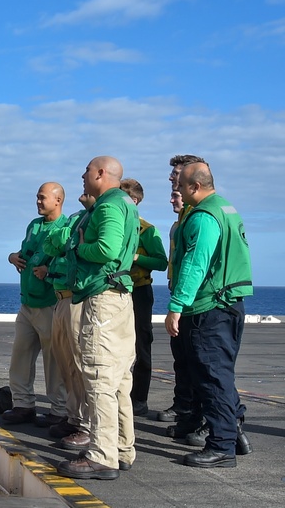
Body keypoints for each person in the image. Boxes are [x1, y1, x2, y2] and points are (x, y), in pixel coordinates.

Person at [57, 156, 139, 481]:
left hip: (103, 298)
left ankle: (102, 456)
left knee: (99, 376)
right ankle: (121, 448)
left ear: (101, 174)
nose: (82, 175)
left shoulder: (107, 206)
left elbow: (106, 248)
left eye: (87, 171)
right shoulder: (126, 204)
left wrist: (78, 250)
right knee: (119, 380)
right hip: (120, 297)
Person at [167, 162, 253, 467]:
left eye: (181, 185)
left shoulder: (203, 217)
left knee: (212, 378)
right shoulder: (226, 209)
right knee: (220, 376)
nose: (176, 190)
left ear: (195, 187)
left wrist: (176, 306)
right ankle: (232, 436)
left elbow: (194, 264)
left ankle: (222, 446)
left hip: (210, 308)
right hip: (229, 304)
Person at [2, 183, 67, 425]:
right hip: (27, 303)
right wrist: (12, 257)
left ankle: (59, 409)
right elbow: (25, 253)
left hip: (49, 304)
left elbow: (67, 259)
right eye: (37, 198)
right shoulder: (34, 225)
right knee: (20, 356)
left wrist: (50, 270)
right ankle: (23, 405)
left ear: (57, 200)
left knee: (54, 361)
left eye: (42, 198)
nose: (38, 202)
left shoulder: (65, 227)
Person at [158, 154, 207, 426]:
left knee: (202, 364)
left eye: (177, 173)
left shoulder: (200, 215)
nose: (172, 179)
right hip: (180, 293)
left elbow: (196, 262)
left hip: (197, 300)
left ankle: (215, 421)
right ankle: (186, 409)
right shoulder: (181, 220)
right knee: (183, 360)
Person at [43, 193, 95, 440]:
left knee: (80, 363)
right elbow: (51, 243)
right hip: (60, 297)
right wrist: (66, 239)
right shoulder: (77, 217)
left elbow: (67, 242)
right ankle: (73, 417)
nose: (82, 181)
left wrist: (67, 239)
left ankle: (85, 424)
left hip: (76, 298)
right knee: (66, 364)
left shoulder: (93, 218)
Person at [119, 178, 168, 416]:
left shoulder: (147, 230)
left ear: (134, 201)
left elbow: (161, 261)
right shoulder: (114, 226)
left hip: (139, 292)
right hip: (117, 291)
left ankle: (139, 400)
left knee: (141, 345)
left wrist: (137, 259)